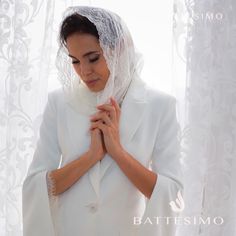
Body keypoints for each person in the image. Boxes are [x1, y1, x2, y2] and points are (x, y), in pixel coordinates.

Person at [22, 6, 183, 236]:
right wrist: (91, 157)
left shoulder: (160, 106)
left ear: (119, 50)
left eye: (93, 58)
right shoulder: (59, 103)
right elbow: (36, 187)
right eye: (75, 61)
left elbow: (172, 193)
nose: (84, 71)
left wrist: (118, 152)